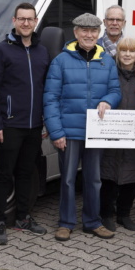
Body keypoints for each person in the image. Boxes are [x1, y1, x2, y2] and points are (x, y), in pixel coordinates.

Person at [43, 13, 121, 242]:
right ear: (75, 33)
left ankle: (92, 222)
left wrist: (108, 100)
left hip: (96, 132)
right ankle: (66, 223)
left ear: (99, 33)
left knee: (93, 179)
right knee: (67, 180)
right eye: (84, 31)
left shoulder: (107, 60)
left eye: (93, 31)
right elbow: (50, 99)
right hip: (69, 132)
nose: (89, 35)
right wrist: (56, 132)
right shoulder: (60, 61)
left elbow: (115, 91)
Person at [0, 2, 51, 245]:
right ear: (13, 21)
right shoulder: (1, 50)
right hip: (10, 124)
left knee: (26, 173)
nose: (26, 23)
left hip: (34, 126)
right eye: (21, 19)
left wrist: (45, 121)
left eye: (30, 19)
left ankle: (23, 217)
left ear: (36, 22)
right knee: (4, 174)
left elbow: (46, 89)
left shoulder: (42, 51)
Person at [99, 38, 135, 232]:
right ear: (118, 54)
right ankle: (106, 214)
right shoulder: (108, 74)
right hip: (111, 133)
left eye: (132, 51)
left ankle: (124, 214)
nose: (127, 55)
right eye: (123, 51)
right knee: (108, 176)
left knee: (132, 176)